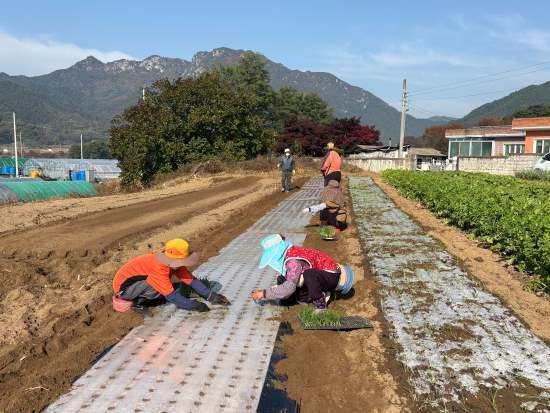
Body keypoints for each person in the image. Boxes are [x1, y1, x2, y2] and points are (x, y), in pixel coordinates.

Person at [112, 238, 230, 315]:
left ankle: (152, 297)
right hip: (125, 290)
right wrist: (194, 305)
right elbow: (171, 295)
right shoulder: (158, 268)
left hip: (139, 283)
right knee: (159, 287)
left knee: (167, 285)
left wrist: (210, 295)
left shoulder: (171, 260)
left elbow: (189, 279)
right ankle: (139, 303)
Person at [250, 234, 354, 312]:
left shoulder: (293, 262)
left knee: (308, 275)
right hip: (323, 276)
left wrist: (263, 293)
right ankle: (313, 293)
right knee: (284, 280)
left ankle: (321, 305)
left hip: (333, 276)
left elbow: (289, 288)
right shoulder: (291, 252)